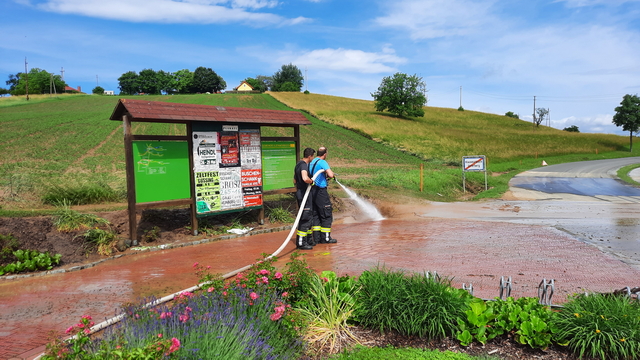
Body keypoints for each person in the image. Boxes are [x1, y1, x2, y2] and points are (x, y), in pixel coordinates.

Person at [309, 146, 338, 244]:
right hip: (321, 191)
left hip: (312, 191)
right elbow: (330, 175)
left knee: (316, 214)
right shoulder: (322, 162)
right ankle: (326, 238)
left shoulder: (312, 162)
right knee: (326, 214)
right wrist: (332, 175)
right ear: (325, 154)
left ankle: (317, 238)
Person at [293, 147, 316, 250]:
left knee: (308, 217)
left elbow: (294, 180)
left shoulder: (298, 164)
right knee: (305, 218)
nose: (313, 158)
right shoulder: (303, 165)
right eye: (313, 156)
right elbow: (305, 178)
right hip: (304, 194)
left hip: (301, 192)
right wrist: (311, 181)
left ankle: (308, 240)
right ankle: (301, 243)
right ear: (310, 156)